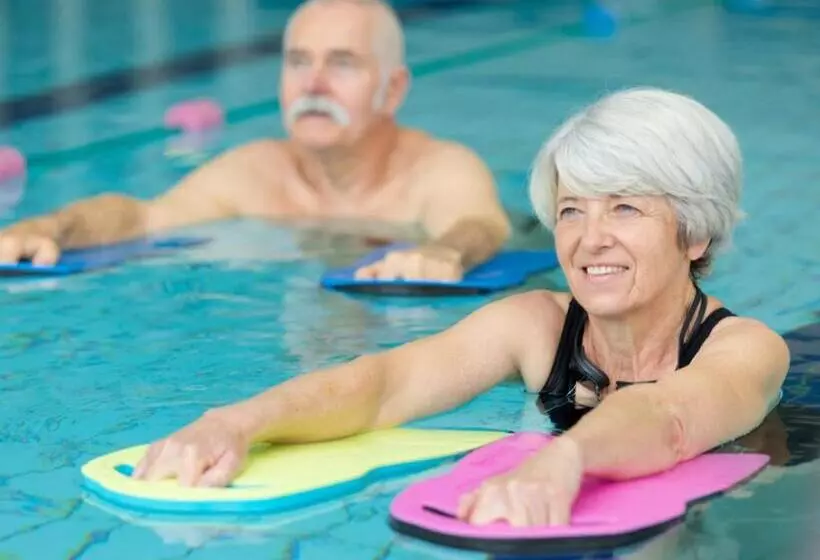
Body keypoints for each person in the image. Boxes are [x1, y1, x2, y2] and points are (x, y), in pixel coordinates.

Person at [132, 87, 789, 527]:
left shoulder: (746, 349)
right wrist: (236, 422)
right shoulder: (537, 327)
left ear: (695, 234)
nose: (590, 239)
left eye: (624, 208)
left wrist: (562, 458)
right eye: (571, 211)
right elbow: (384, 384)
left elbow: (669, 418)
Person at [0, 0, 511, 282]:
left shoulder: (439, 170)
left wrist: (444, 252)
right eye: (298, 62)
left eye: (342, 63)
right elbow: (142, 217)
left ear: (392, 90)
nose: (313, 85)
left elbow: (479, 225)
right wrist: (51, 227)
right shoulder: (254, 174)